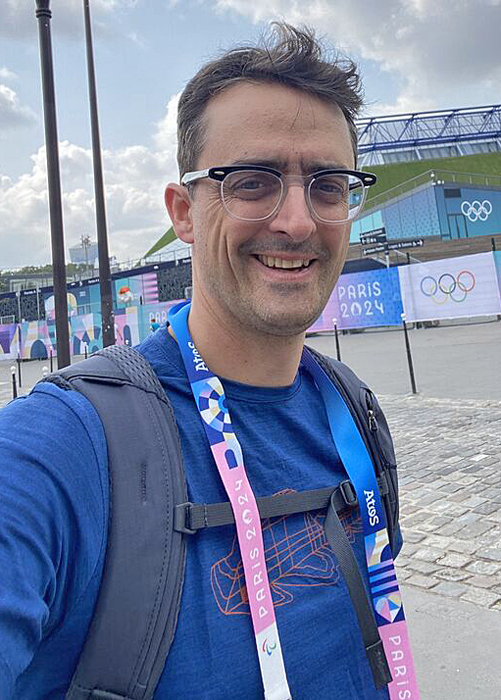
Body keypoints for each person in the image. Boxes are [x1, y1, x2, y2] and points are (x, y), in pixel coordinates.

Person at [0, 24, 407, 700]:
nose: (298, 222)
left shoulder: (354, 411)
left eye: (328, 185)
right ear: (184, 212)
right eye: (252, 182)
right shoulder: (60, 448)